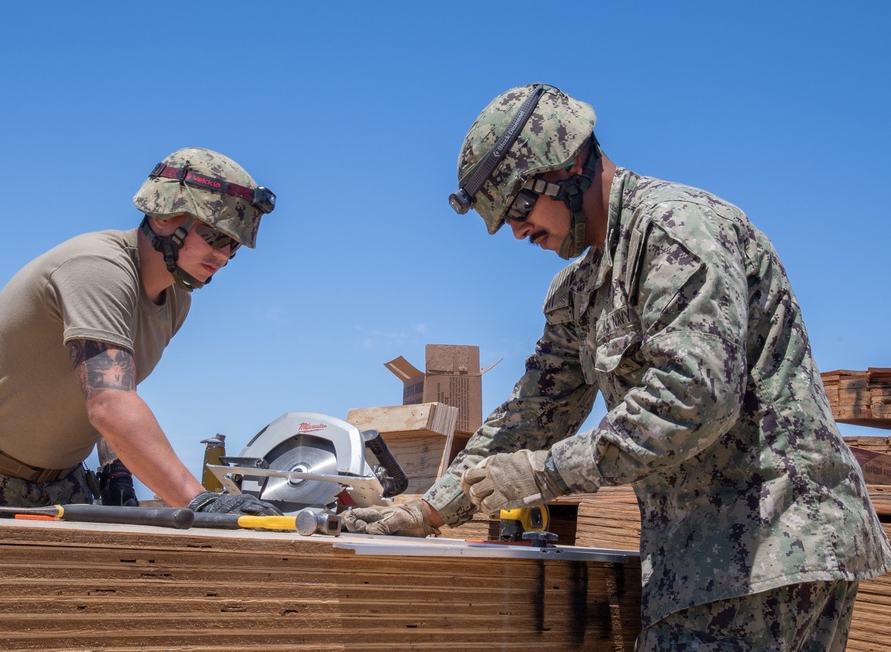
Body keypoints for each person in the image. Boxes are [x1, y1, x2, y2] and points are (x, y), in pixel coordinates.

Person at [343, 84, 891, 649]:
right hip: (718, 561)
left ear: (569, 168)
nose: (516, 231)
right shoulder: (579, 293)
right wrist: (431, 510)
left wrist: (545, 473)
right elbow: (531, 416)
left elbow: (693, 400)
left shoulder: (679, 231)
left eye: (520, 207)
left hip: (767, 549)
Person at [0, 147, 280, 518]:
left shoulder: (176, 299)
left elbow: (105, 386)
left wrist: (116, 471)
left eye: (234, 246)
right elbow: (109, 405)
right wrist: (198, 501)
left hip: (61, 485)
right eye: (214, 236)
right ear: (164, 217)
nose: (224, 256)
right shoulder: (97, 268)